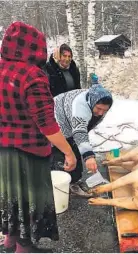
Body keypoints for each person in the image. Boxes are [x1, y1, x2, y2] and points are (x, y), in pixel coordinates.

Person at [0, 22, 77, 253]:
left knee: (10, 195)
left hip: (3, 149)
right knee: (29, 198)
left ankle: (9, 242)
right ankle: (24, 248)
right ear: (36, 48)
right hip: (29, 151)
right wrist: (68, 151)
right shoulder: (33, 75)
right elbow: (46, 123)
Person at [51, 84, 113, 198]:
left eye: (105, 110)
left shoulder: (96, 101)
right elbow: (79, 131)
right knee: (62, 154)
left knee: (76, 150)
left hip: (72, 124)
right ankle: (63, 183)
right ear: (91, 102)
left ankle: (75, 180)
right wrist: (89, 156)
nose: (101, 113)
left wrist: (83, 146)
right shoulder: (79, 106)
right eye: (99, 109)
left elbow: (83, 129)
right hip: (55, 123)